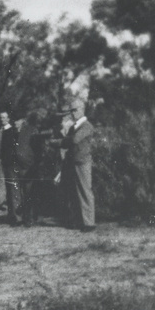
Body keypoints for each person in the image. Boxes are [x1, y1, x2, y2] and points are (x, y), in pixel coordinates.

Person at [59, 99, 96, 232]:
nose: (72, 113)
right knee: (74, 192)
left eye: (74, 110)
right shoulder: (75, 126)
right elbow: (67, 142)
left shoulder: (86, 126)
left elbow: (74, 140)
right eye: (71, 110)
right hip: (73, 161)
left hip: (82, 161)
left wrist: (62, 140)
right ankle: (79, 221)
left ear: (82, 109)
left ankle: (89, 223)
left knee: (85, 191)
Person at [0, 110, 21, 225]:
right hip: (2, 163)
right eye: (1, 117)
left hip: (11, 164)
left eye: (4, 117)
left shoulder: (12, 132)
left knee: (13, 190)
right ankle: (8, 215)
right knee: (4, 190)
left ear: (8, 119)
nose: (2, 120)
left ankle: (16, 217)